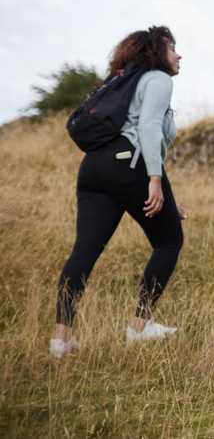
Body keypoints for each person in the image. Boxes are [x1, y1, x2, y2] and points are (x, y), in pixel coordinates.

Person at [52, 26, 185, 358]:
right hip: (129, 164)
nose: (179, 55)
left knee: (85, 249)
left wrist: (166, 191)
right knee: (169, 241)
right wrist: (154, 180)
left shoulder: (124, 82)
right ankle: (139, 327)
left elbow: (142, 136)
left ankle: (61, 339)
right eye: (173, 49)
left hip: (95, 167)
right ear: (158, 53)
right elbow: (148, 129)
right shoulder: (158, 80)